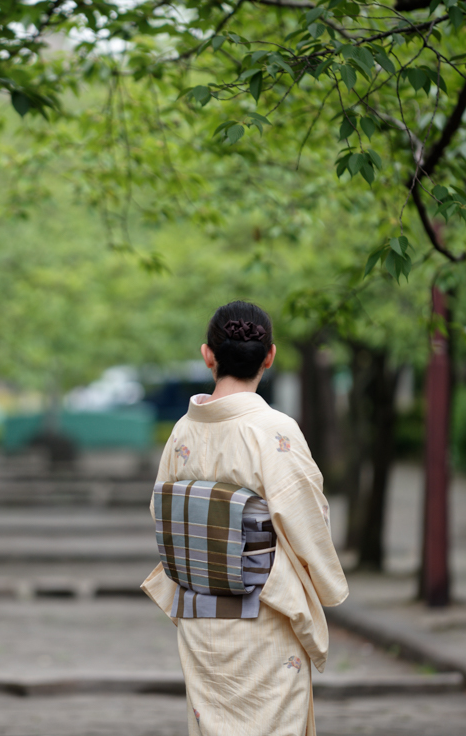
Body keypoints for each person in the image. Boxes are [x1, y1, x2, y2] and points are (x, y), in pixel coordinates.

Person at [141, 300, 349, 736]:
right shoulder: (274, 430)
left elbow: (161, 512)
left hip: (202, 614)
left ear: (208, 355)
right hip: (264, 611)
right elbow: (306, 520)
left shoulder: (183, 431)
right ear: (269, 357)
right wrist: (327, 586)